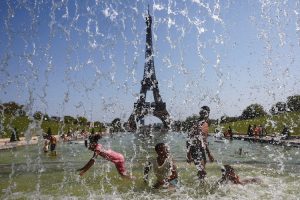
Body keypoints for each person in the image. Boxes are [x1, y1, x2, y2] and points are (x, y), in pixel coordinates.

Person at [186, 106, 214, 180]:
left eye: (205, 112)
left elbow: (204, 140)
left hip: (201, 149)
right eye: (202, 112)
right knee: (202, 171)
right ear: (200, 113)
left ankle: (200, 186)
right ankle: (200, 187)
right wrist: (188, 154)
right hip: (194, 150)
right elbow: (189, 139)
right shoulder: (196, 124)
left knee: (202, 171)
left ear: (208, 113)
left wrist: (209, 153)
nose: (203, 114)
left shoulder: (206, 124)